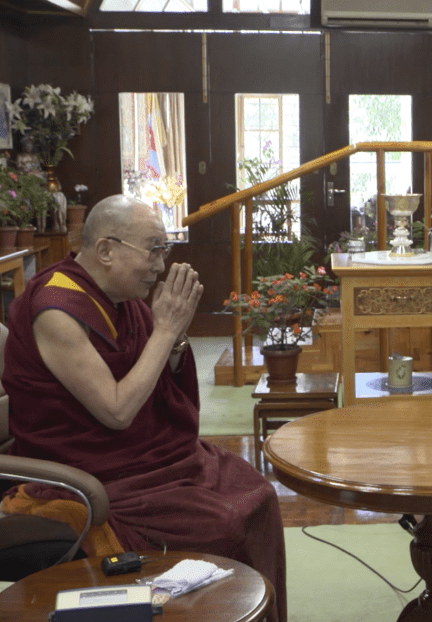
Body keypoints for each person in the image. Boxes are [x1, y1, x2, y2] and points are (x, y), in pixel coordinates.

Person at [1, 195, 287, 622]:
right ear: (106, 250)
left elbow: (159, 381)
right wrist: (165, 328)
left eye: (164, 249)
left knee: (257, 492)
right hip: (92, 472)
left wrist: (174, 338)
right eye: (153, 249)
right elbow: (116, 411)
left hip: (149, 460)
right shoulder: (57, 309)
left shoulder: (119, 296)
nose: (160, 264)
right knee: (220, 523)